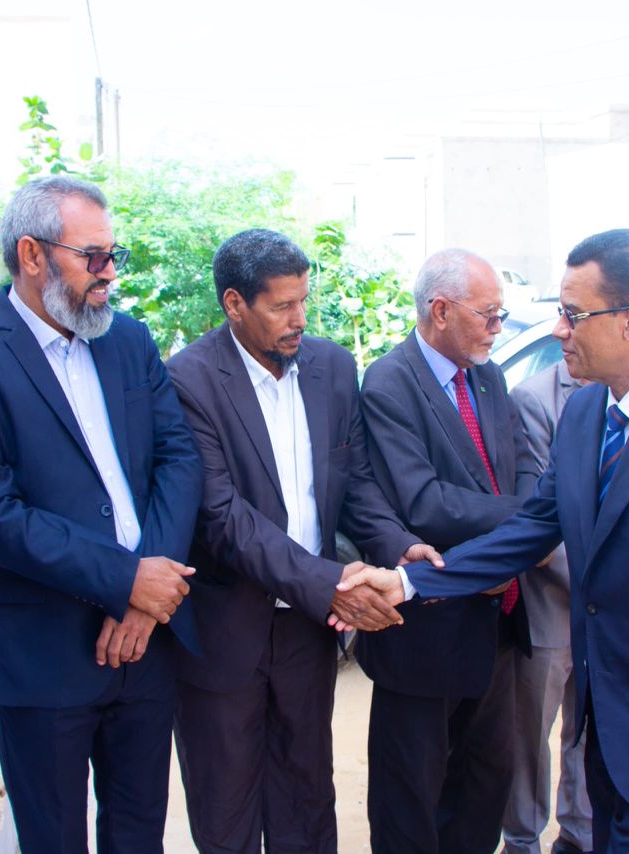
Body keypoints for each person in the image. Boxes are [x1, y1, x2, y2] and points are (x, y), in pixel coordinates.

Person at [340, 228, 629, 853]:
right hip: (603, 735)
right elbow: (530, 527)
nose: (558, 331)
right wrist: (408, 581)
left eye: (574, 315)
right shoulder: (586, 413)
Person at [0, 176, 203, 853]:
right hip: (40, 654)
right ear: (32, 254)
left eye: (113, 255)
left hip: (145, 644)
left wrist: (146, 595)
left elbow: (179, 459)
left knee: (139, 836)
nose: (109, 274)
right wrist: (126, 581)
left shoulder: (128, 341)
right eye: (92, 257)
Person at [165, 228, 439, 854]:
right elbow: (221, 517)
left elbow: (355, 482)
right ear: (235, 304)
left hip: (305, 634)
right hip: (224, 628)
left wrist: (396, 544)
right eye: (282, 306)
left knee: (307, 800)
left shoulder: (332, 368)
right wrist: (332, 586)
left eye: (304, 300)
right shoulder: (188, 380)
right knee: (226, 810)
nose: (300, 319)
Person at [355, 249, 530, 854]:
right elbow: (425, 501)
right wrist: (535, 523)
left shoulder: (489, 375)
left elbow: (518, 469)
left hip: (498, 619)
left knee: (484, 783)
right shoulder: (390, 381)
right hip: (427, 628)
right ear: (440, 310)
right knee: (411, 794)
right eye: (488, 314)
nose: (497, 327)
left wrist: (521, 532)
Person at [506, 359, 593, 854]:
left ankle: (580, 836)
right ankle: (522, 839)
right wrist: (607, 579)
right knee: (530, 739)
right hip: (550, 606)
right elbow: (538, 518)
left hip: (606, 616)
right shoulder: (535, 398)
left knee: (589, 734)